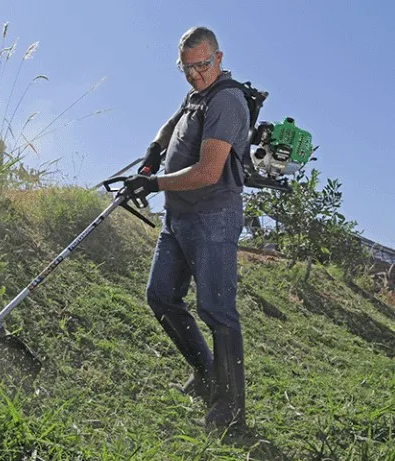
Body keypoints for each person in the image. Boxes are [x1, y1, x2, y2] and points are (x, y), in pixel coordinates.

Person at [123, 26, 249, 429]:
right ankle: (208, 373)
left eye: (202, 65)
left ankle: (231, 408)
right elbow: (174, 122)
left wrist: (154, 182)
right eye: (186, 68)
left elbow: (210, 171)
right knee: (160, 296)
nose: (195, 74)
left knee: (217, 310)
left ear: (219, 58)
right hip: (178, 216)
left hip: (213, 216)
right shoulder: (197, 95)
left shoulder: (228, 100)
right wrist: (153, 152)